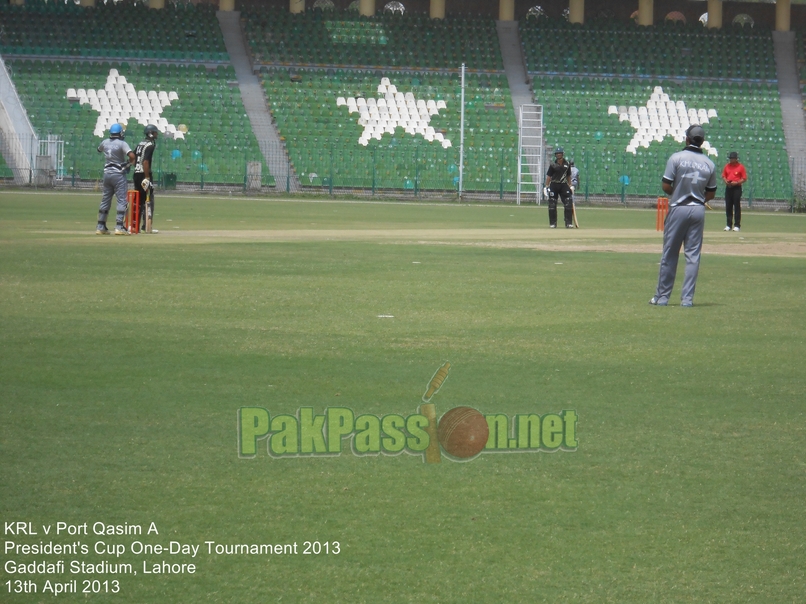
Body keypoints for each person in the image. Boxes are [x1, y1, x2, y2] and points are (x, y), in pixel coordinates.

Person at [650, 125, 717, 308]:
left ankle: (662, 297)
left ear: (687, 138)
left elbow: (666, 186)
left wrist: (677, 193)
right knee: (693, 256)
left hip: (678, 206)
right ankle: (687, 300)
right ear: (702, 141)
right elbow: (711, 193)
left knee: (670, 253)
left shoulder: (677, 158)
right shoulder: (709, 164)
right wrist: (699, 199)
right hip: (698, 209)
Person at [96, 123, 135, 235]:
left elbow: (99, 150)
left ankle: (100, 226)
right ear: (120, 133)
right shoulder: (122, 143)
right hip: (118, 174)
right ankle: (119, 227)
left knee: (105, 200)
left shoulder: (105, 142)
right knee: (122, 200)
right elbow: (132, 156)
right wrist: (127, 164)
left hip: (107, 174)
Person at [134, 124, 160, 234]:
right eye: (154, 132)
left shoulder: (140, 143)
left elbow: (134, 158)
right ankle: (146, 226)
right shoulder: (149, 145)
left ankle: (135, 226)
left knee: (138, 200)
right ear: (150, 133)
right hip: (144, 174)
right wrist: (147, 177)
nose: (156, 134)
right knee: (148, 200)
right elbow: (145, 162)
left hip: (136, 174)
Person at [544, 147, 574, 228]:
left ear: (562, 154)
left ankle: (568, 223)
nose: (558, 155)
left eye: (560, 153)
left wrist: (570, 186)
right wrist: (546, 186)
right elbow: (549, 176)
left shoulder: (567, 164)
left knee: (568, 202)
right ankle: (553, 223)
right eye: (557, 153)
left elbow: (568, 176)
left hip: (564, 185)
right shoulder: (553, 165)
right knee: (552, 204)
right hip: (554, 184)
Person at [721, 151, 747, 232]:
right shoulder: (727, 166)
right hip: (729, 187)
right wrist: (726, 181)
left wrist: (737, 182)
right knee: (728, 206)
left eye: (733, 158)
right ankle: (728, 224)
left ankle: (737, 225)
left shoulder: (740, 167)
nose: (731, 160)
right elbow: (723, 175)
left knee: (736, 206)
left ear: (736, 159)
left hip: (737, 188)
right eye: (730, 158)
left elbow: (744, 178)